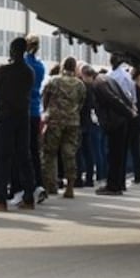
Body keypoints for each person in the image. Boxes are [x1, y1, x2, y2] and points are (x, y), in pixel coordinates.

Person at [0, 37, 36, 211]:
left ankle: (0, 199)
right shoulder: (29, 72)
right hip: (23, 117)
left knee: (1, 158)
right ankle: (29, 198)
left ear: (12, 51)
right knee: (24, 157)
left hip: (4, 117)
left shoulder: (4, 70)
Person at [41, 57, 87, 198]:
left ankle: (51, 185)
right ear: (74, 68)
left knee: (50, 153)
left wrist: (48, 112)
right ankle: (70, 187)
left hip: (55, 121)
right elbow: (81, 103)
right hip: (72, 122)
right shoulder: (80, 84)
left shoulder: (54, 81)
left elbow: (45, 98)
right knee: (69, 154)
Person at [93, 56, 138, 195]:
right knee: (120, 155)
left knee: (114, 155)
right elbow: (125, 96)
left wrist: (128, 112)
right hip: (122, 120)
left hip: (116, 122)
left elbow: (114, 100)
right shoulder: (108, 79)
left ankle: (113, 186)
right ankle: (119, 184)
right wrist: (130, 111)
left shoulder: (99, 83)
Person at [24, 35, 46, 199]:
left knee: (22, 151)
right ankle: (39, 183)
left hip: (24, 110)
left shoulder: (24, 63)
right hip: (35, 111)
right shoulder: (40, 66)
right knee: (35, 151)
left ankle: (27, 186)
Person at [76, 65, 100, 189]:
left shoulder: (83, 87)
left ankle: (79, 177)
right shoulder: (95, 87)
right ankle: (89, 178)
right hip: (89, 122)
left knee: (79, 152)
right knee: (88, 151)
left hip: (80, 121)